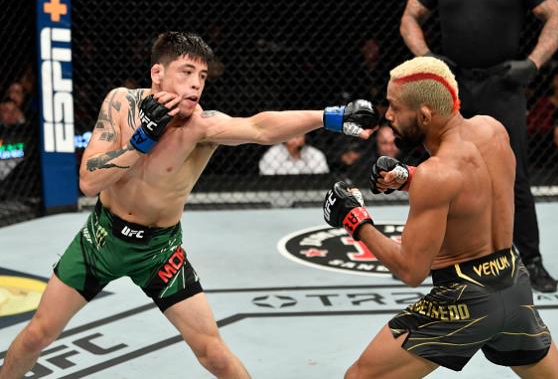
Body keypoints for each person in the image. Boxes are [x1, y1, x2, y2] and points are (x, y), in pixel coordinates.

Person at [0, 31, 378, 379]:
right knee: (36, 336)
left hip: (158, 252)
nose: (197, 82)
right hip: (99, 241)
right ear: (158, 74)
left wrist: (331, 117)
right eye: (186, 71)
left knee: (212, 352)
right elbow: (87, 181)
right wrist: (140, 142)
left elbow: (261, 127)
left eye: (202, 75)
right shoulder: (120, 104)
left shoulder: (202, 127)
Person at [323, 56, 558, 378]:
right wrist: (408, 176)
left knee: (359, 377)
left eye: (395, 107)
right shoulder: (493, 129)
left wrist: (354, 219)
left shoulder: (435, 174)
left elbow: (410, 270)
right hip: (514, 284)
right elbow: (471, 183)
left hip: (462, 299)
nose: (388, 115)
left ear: (424, 115)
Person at [400, 0, 558, 293]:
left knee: (515, 177)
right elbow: (409, 18)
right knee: (443, 174)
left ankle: (532, 259)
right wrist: (428, 59)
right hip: (453, 84)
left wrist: (532, 63)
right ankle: (430, 257)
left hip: (502, 84)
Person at [258, 134, 329, 175]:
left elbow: (322, 176)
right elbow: (267, 180)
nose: (296, 140)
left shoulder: (315, 154)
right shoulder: (272, 155)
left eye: (299, 135)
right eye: (293, 135)